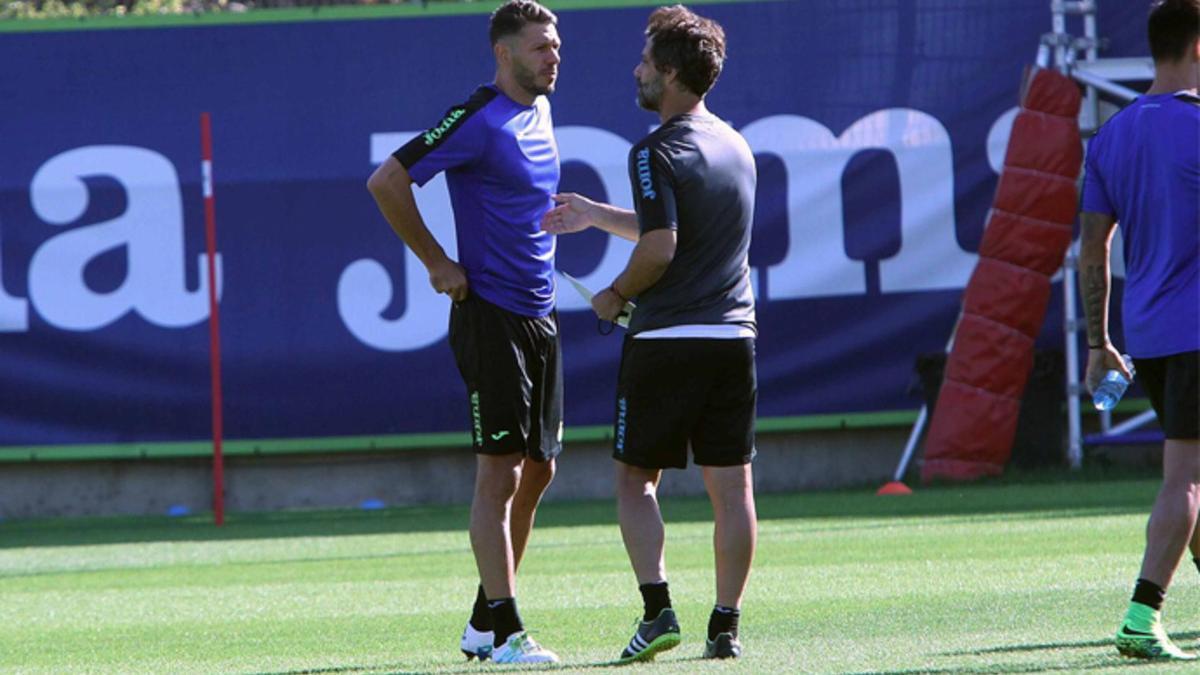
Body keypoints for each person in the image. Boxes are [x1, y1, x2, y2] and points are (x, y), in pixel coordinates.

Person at [543, 4, 757, 662]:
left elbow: (662, 248)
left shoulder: (654, 149)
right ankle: (725, 624)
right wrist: (591, 215)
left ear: (666, 73)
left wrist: (613, 295)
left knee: (635, 478)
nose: (635, 70)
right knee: (733, 489)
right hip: (734, 338)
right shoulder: (735, 144)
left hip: (666, 339)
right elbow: (673, 228)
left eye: (643, 61)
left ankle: (657, 610)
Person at [366, 0, 563, 664]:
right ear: (504, 53)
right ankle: (508, 632)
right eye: (539, 46)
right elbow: (387, 179)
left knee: (540, 469)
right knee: (500, 472)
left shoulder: (541, 111)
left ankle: (483, 621)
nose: (553, 55)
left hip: (541, 314)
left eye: (556, 44)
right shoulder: (477, 117)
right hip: (491, 317)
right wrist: (436, 261)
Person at [1078, 0, 1200, 661]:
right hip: (1196, 331)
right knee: (1184, 476)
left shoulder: (1113, 135)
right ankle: (1140, 613)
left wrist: (1099, 346)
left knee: (1194, 469)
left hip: (1146, 334)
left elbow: (1092, 249)